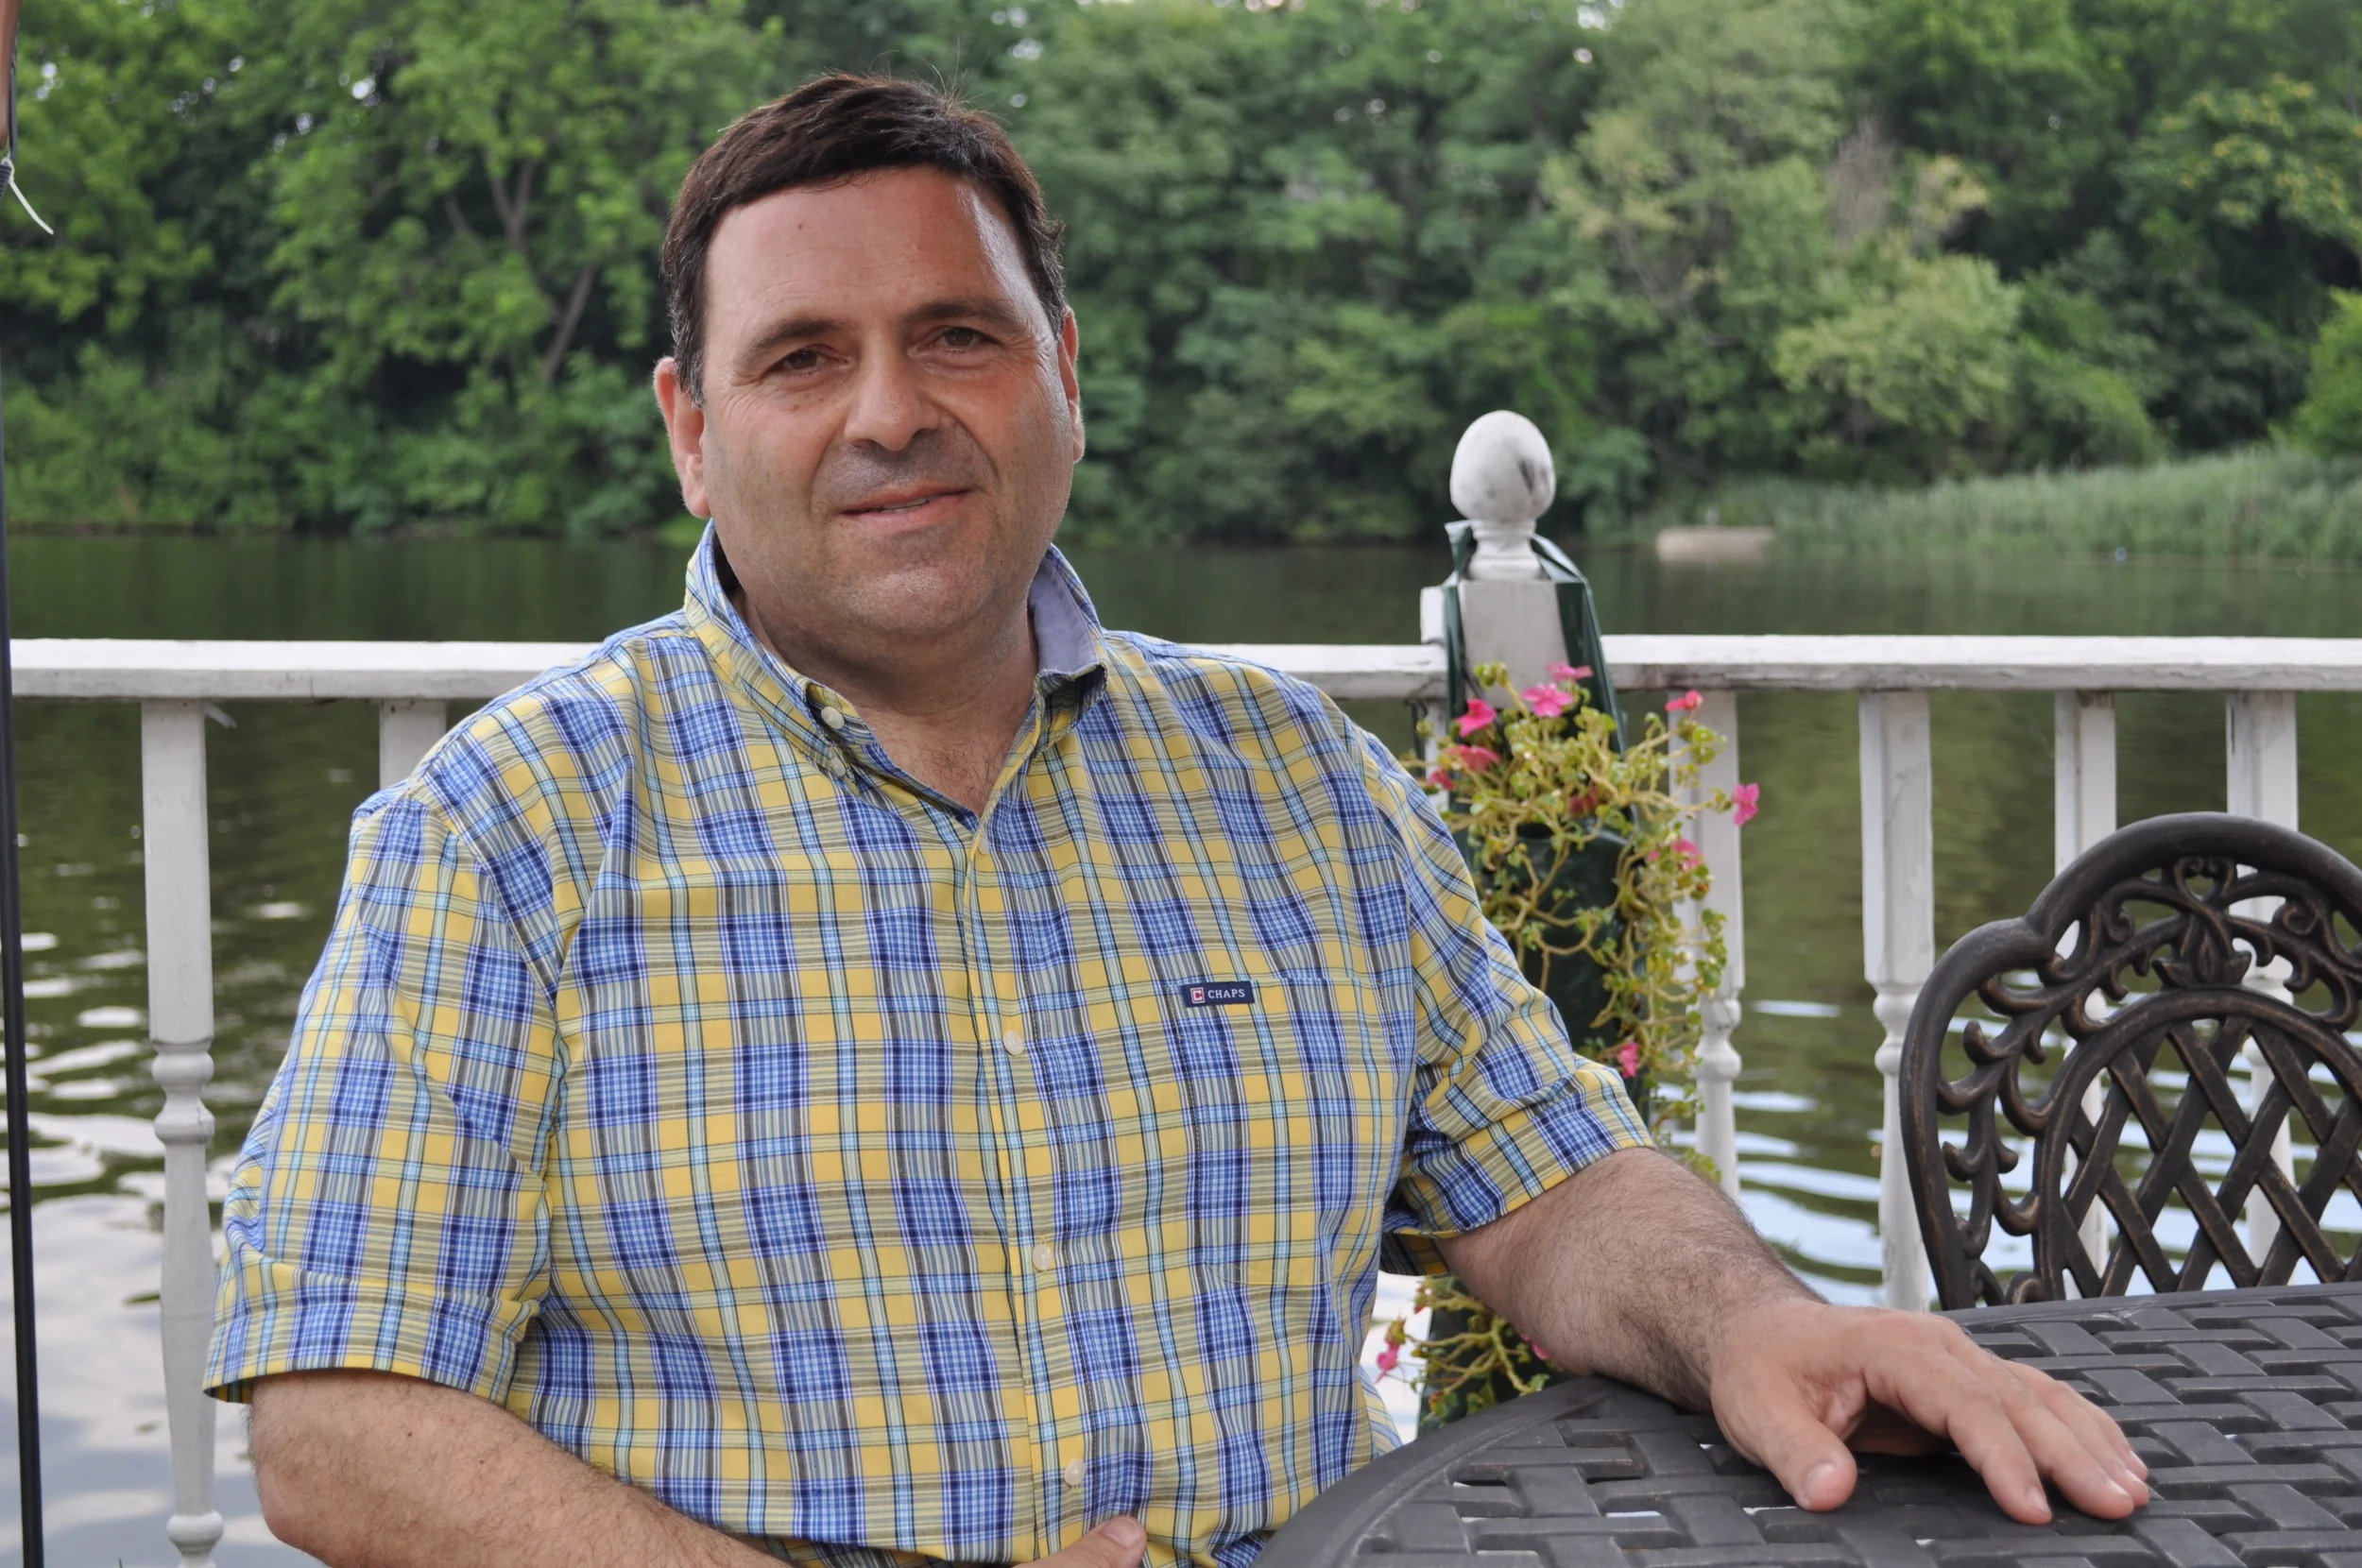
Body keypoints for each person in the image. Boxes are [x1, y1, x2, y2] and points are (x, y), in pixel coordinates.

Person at [207, 75, 2148, 1568]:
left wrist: (1752, 1325)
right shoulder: (511, 831)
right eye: (801, 358)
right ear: (691, 432)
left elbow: (1551, 1186)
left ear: (1062, 372)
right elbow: (336, 1418)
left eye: (957, 334)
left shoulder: (1290, 781)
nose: (888, 411)